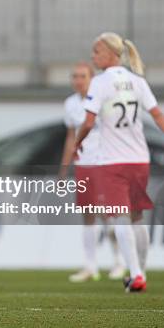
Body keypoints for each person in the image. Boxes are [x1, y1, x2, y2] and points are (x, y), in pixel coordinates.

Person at [74, 32, 164, 292]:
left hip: (112, 162)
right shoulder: (137, 81)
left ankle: (136, 274)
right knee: (136, 218)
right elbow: (158, 115)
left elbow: (89, 122)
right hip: (139, 159)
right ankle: (141, 273)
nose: (94, 56)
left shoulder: (100, 82)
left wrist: (77, 142)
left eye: (97, 51)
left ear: (113, 54)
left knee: (119, 218)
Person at [60, 62, 125, 282]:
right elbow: (71, 137)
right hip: (83, 164)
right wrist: (64, 167)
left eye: (82, 76)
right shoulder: (70, 104)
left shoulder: (102, 100)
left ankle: (119, 261)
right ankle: (91, 266)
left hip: (103, 163)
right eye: (74, 76)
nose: (78, 80)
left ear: (91, 78)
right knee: (88, 214)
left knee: (107, 213)